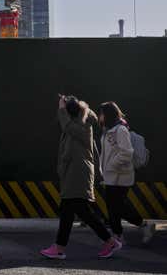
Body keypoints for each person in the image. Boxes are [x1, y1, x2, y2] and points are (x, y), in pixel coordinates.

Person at [40, 95, 121, 260]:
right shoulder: (78, 123)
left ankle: (61, 247)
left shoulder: (83, 125)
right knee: (74, 212)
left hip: (78, 174)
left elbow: (68, 127)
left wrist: (63, 109)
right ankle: (60, 247)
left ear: (70, 114)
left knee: (76, 211)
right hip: (74, 174)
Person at [98, 102, 155, 244]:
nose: (100, 116)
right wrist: (104, 170)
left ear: (108, 114)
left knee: (117, 207)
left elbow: (127, 153)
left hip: (121, 176)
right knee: (113, 207)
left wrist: (110, 166)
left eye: (101, 113)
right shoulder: (108, 130)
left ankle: (143, 225)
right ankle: (118, 235)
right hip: (111, 176)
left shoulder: (121, 130)